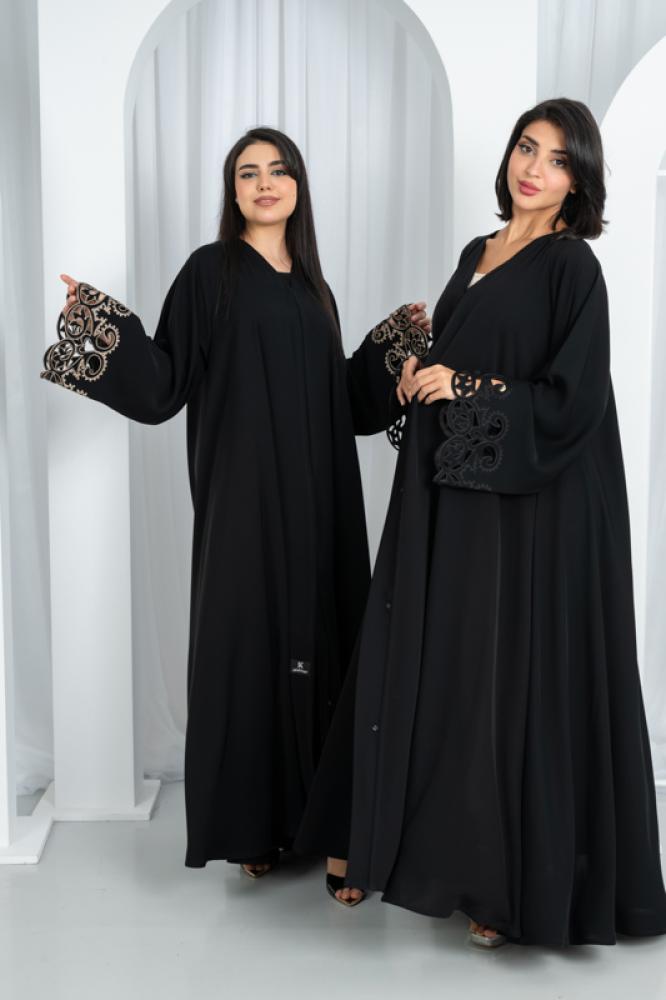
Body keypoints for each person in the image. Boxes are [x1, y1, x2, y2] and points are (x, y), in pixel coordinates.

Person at [295, 99, 666, 944]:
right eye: (527, 148)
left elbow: (572, 401)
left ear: (579, 181)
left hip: (531, 508)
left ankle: (502, 890)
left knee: (502, 681)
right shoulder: (478, 251)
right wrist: (421, 373)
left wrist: (461, 387)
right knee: (443, 666)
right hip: (455, 491)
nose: (534, 168)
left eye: (558, 159)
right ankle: (388, 843)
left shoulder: (572, 267)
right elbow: (467, 361)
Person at [41, 127, 430, 878]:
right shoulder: (209, 273)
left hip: (321, 500)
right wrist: (100, 326)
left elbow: (342, 398)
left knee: (328, 640)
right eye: (248, 173)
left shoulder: (313, 286)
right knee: (250, 645)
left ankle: (335, 833)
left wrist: (394, 350)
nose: (264, 183)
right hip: (245, 498)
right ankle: (257, 830)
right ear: (233, 191)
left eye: (278, 170)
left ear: (298, 185)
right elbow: (164, 378)